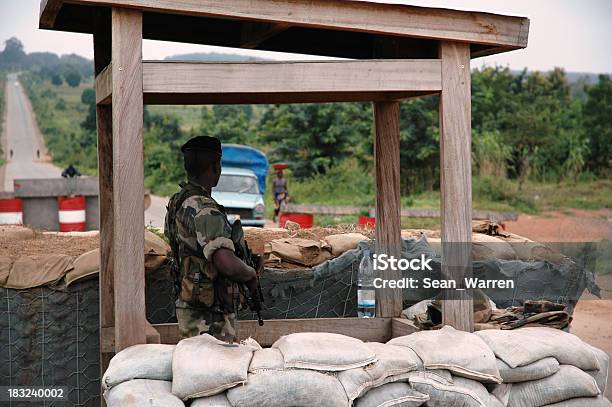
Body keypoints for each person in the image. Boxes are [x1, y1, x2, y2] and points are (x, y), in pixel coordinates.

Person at [165, 136, 261, 342]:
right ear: (215, 168)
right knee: (217, 369)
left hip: (191, 306)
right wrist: (250, 274)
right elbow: (226, 263)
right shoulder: (205, 209)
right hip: (210, 316)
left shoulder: (178, 201)